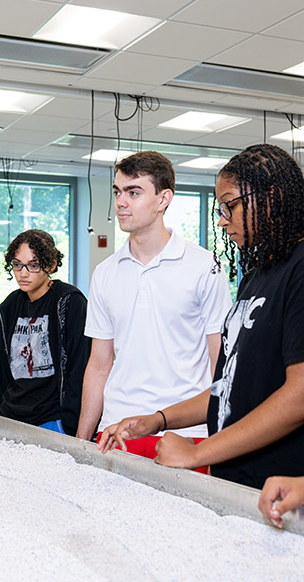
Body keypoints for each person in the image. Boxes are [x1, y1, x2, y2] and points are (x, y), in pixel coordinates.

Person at [99, 144, 304, 491]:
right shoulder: (258, 275)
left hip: (275, 486)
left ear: (272, 197)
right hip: (236, 477)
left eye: (230, 205)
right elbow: (228, 388)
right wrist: (158, 420)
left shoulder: (299, 269)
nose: (222, 219)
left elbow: (299, 395)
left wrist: (199, 453)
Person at [76, 151, 232, 470]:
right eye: (118, 192)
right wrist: (80, 443)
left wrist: (223, 436)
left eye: (134, 192)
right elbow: (99, 365)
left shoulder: (206, 267)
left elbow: (221, 363)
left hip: (188, 434)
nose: (121, 202)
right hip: (117, 431)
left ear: (163, 199)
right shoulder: (104, 272)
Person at [0, 229, 90, 435]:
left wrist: (69, 424)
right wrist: (0, 414)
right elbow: (2, 367)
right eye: (17, 264)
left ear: (50, 265)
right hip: (12, 417)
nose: (23, 273)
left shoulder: (69, 302)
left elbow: (79, 367)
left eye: (33, 265)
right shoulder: (10, 305)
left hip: (53, 420)